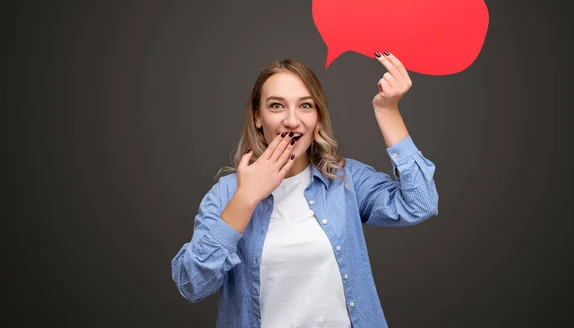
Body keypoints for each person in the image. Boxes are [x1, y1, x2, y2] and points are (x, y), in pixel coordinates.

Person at [171, 51, 439, 327]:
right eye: (276, 106)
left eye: (305, 106)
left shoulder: (346, 180)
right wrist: (245, 199)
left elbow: (421, 203)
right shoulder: (228, 194)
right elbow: (192, 284)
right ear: (257, 117)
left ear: (318, 118)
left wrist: (388, 110)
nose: (292, 120)